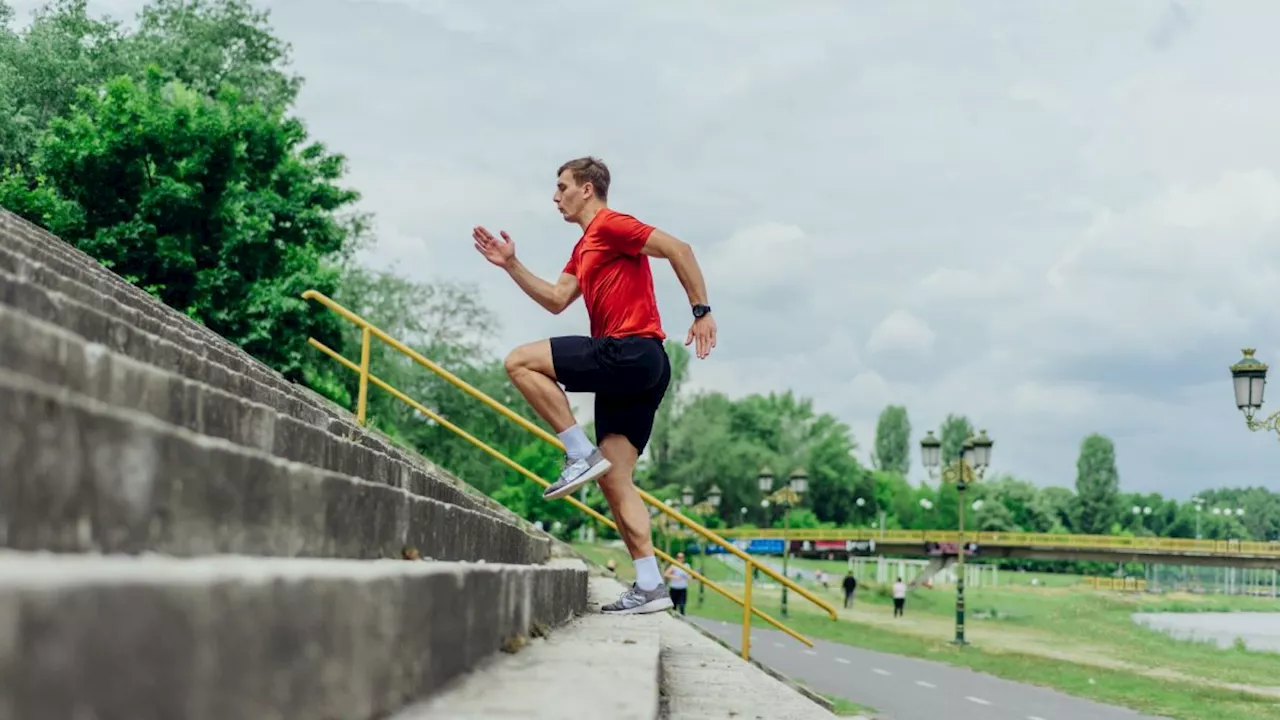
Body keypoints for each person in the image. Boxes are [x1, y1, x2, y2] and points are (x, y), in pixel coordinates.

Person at [472, 156, 716, 615]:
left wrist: (701, 312)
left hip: (628, 350)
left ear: (587, 188)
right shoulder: (584, 247)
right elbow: (556, 299)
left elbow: (679, 249)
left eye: (562, 186)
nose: (554, 195)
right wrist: (511, 264)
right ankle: (650, 584)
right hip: (645, 365)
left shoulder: (611, 225)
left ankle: (578, 452)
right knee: (615, 479)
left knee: (520, 362)